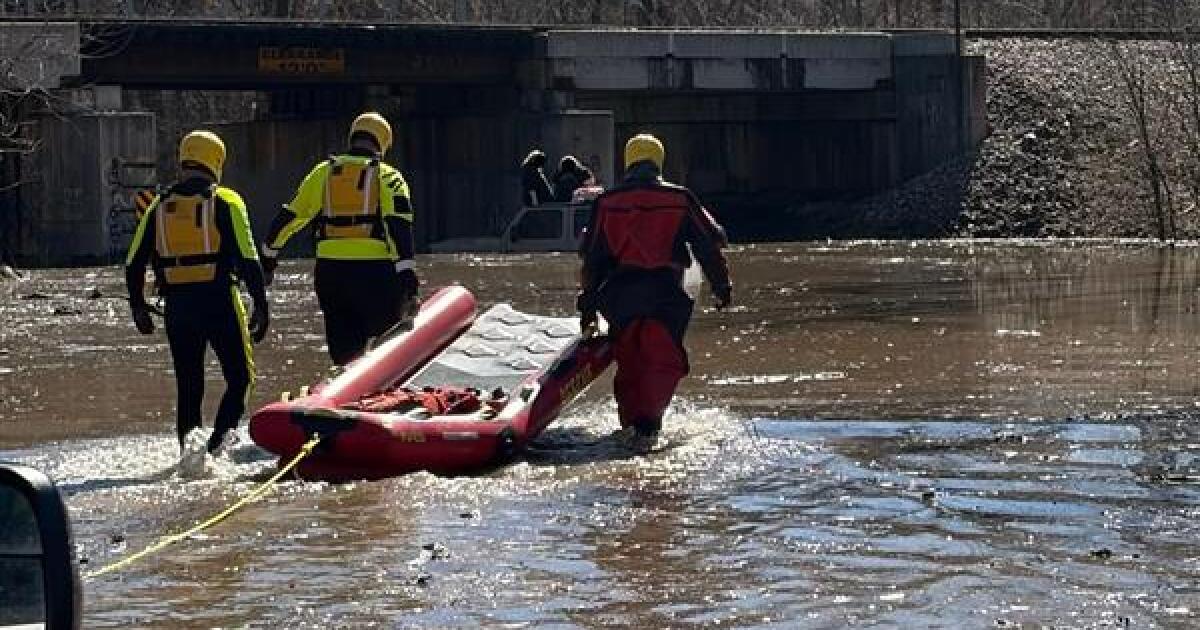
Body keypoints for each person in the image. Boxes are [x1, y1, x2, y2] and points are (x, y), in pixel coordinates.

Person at [577, 133, 732, 448]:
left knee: (630, 358)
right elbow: (710, 243)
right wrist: (722, 287)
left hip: (619, 297)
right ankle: (649, 427)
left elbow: (591, 259)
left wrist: (587, 308)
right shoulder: (680, 198)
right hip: (666, 295)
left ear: (629, 162)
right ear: (658, 162)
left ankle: (633, 428)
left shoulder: (606, 203)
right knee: (662, 358)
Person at [124, 130, 270, 455]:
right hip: (220, 301)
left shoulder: (158, 206)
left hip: (178, 307)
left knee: (189, 387)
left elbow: (133, 264)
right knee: (241, 379)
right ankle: (217, 449)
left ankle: (189, 459)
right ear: (216, 160)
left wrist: (138, 306)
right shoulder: (226, 200)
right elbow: (248, 259)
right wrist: (261, 305)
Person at [259, 112, 419, 366]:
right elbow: (398, 226)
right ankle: (382, 395)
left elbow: (290, 216)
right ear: (383, 143)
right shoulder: (389, 176)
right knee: (388, 349)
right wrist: (408, 279)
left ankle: (341, 392)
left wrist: (268, 257)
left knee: (345, 355)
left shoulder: (324, 172)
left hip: (331, 276)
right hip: (376, 277)